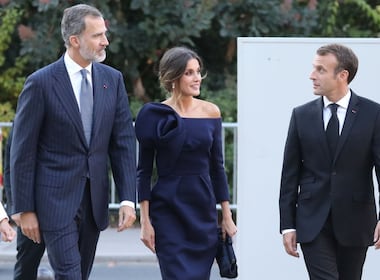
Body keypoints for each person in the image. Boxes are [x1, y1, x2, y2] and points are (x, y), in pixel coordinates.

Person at [10, 4, 137, 280]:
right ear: (75, 40)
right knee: (70, 274)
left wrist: (128, 198)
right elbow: (22, 151)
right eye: (97, 35)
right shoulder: (41, 83)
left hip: (93, 201)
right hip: (52, 200)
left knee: (80, 273)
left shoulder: (112, 80)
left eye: (104, 33)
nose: (105, 41)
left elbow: (123, 142)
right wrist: (24, 208)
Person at [279, 43, 380, 279]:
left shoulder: (373, 114)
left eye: (320, 70)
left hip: (356, 221)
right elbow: (289, 174)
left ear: (342, 75)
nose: (312, 75)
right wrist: (287, 225)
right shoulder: (301, 115)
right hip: (312, 221)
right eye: (314, 68)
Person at [135, 46, 237, 280]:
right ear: (173, 77)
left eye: (198, 71)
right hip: (168, 212)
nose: (197, 78)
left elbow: (217, 168)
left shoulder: (211, 112)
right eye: (189, 73)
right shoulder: (154, 115)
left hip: (202, 210)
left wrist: (227, 216)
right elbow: (143, 171)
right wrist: (145, 222)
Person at [4, 126, 49, 280]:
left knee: (72, 269)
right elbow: (11, 167)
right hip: (30, 210)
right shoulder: (26, 114)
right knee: (26, 268)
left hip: (67, 207)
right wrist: (16, 207)